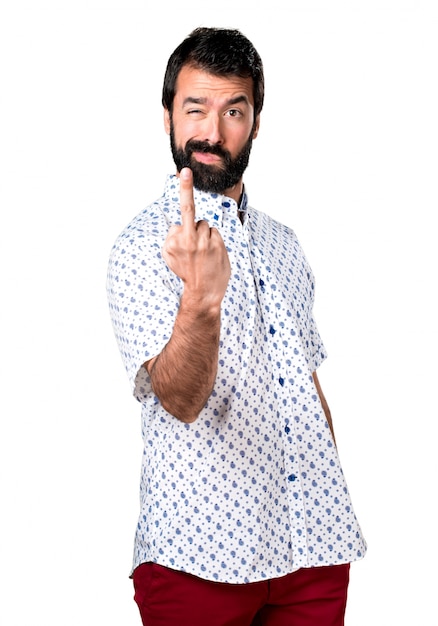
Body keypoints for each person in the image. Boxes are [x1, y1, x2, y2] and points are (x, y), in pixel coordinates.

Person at [107, 26, 366, 626]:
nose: (212, 132)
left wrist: (330, 485)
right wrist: (201, 298)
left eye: (234, 110)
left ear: (255, 122)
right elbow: (178, 399)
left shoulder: (284, 242)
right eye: (195, 108)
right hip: (198, 557)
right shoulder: (140, 247)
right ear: (168, 116)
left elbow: (307, 384)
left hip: (313, 546)